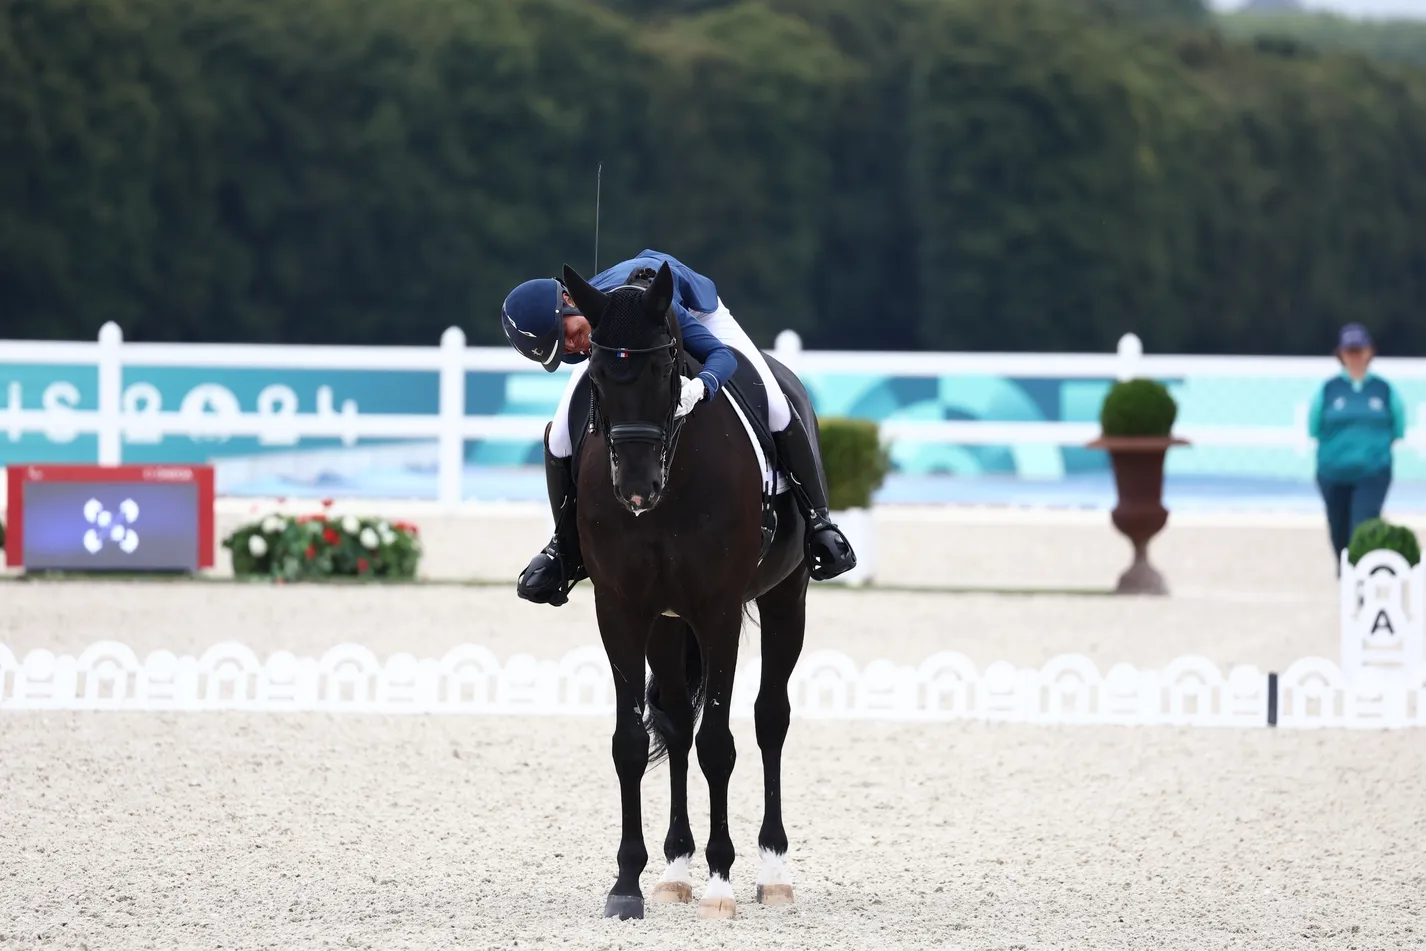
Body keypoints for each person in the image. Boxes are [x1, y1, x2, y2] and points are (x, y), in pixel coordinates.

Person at [499, 249, 857, 605]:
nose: (573, 347)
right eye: (562, 349)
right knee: (559, 434)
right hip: (613, 328)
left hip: (686, 309)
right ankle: (562, 548)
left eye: (570, 334)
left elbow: (722, 357)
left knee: (776, 405)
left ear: (568, 300)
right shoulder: (588, 313)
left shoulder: (642, 307)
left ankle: (819, 523)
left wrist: (702, 387)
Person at [1308, 322, 1407, 567]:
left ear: (1369, 352)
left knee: (1363, 524)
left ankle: (1362, 574)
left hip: (1371, 471)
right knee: (1338, 527)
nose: (1354, 356)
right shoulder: (1329, 389)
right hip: (1333, 471)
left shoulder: (1383, 389)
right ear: (1340, 354)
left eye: (1358, 350)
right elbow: (1314, 427)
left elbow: (1398, 427)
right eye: (1349, 351)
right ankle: (1346, 573)